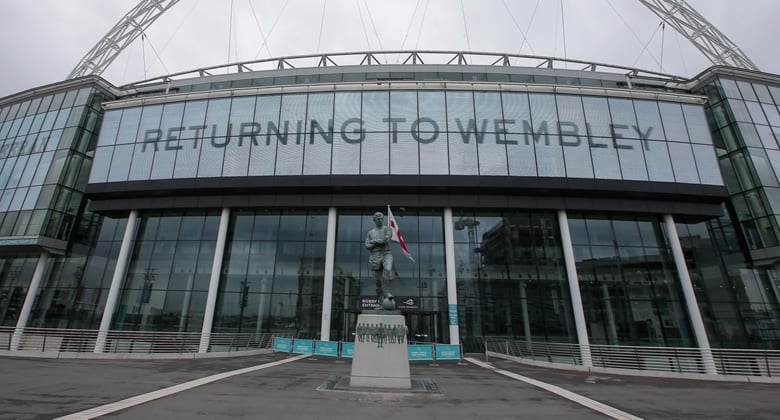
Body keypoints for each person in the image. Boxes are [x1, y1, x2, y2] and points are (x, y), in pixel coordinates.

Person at [365, 211, 394, 308]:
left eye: (381, 218)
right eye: (377, 218)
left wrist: (374, 242)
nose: (380, 219)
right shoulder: (370, 232)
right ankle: (382, 303)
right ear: (374, 220)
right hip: (375, 256)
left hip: (386, 254)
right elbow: (367, 245)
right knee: (378, 282)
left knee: (388, 269)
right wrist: (378, 242)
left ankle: (388, 292)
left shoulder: (388, 229)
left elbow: (386, 240)